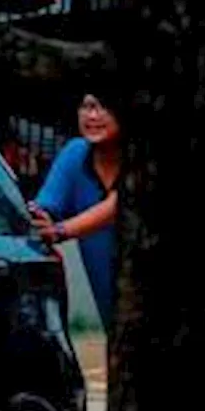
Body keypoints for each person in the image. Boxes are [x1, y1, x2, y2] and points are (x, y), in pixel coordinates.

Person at [28, 91, 123, 328]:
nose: (93, 115)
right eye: (87, 106)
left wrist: (61, 230)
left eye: (104, 107)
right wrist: (39, 217)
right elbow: (48, 204)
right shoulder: (75, 153)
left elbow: (120, 204)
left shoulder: (147, 154)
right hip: (108, 301)